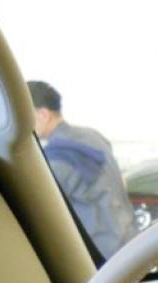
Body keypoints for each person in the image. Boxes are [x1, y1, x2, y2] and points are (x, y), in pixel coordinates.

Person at [27, 80, 135, 259]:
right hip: (128, 240)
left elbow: (45, 212)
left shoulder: (58, 157)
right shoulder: (93, 136)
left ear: (43, 115)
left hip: (98, 250)